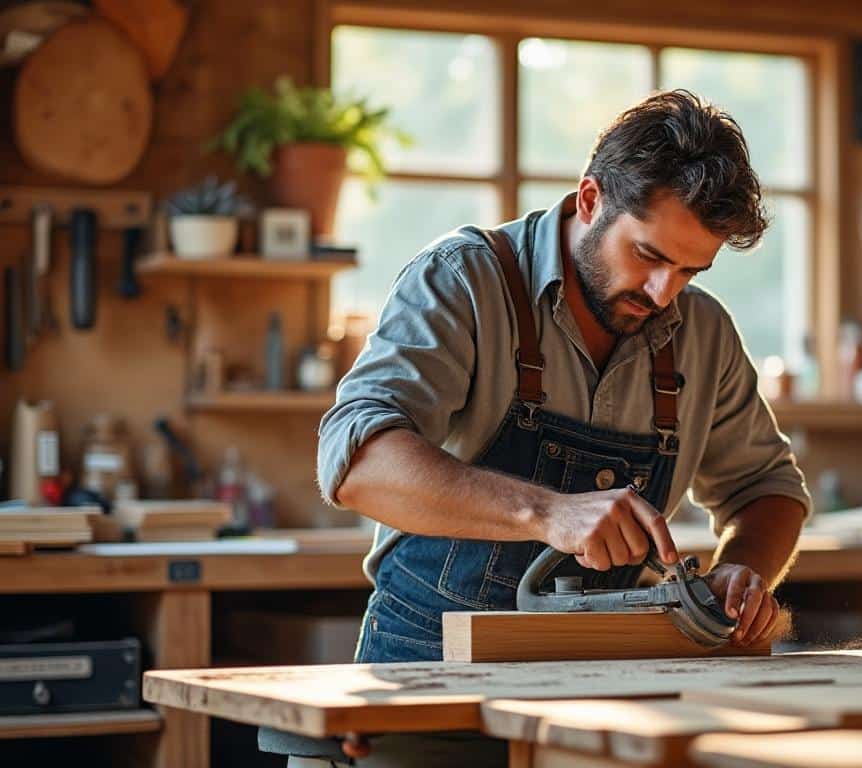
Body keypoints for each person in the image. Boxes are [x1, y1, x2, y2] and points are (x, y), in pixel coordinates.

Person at [277, 89, 811, 766]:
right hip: (430, 685)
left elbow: (768, 488)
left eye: (690, 269)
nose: (663, 294)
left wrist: (743, 571)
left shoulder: (702, 334)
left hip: (607, 704)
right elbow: (356, 463)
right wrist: (546, 512)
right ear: (590, 201)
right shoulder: (463, 281)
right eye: (648, 255)